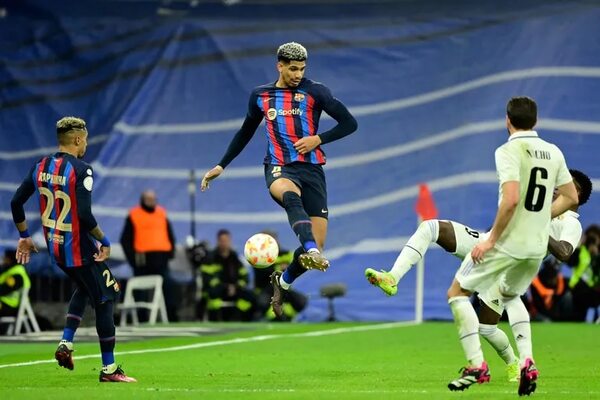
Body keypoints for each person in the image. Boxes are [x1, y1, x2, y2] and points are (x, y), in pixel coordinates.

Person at [365, 169, 590, 381]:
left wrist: (538, 225)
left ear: (575, 192)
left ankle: (514, 363)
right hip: (484, 243)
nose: (555, 186)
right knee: (430, 228)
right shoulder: (539, 205)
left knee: (487, 328)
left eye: (562, 183)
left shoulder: (570, 223)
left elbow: (564, 253)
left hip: (506, 268)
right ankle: (392, 278)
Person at [201, 42, 357, 317]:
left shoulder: (316, 92)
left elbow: (349, 123)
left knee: (319, 244)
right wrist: (221, 165)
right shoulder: (261, 96)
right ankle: (309, 248)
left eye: (302, 69)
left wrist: (318, 139)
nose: (298, 74)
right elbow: (245, 132)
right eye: (293, 69)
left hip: (312, 171)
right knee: (289, 195)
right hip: (279, 167)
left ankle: (282, 281)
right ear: (280, 66)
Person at [445, 97, 578, 395]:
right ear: (536, 120)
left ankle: (477, 365)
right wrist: (542, 216)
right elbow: (571, 197)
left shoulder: (508, 150)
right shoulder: (553, 152)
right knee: (509, 297)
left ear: (507, 120)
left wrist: (491, 240)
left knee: (456, 293)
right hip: (535, 248)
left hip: (508, 243)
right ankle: (526, 361)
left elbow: (512, 198)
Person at [10, 116, 135, 382]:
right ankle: (109, 369)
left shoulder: (40, 166)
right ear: (78, 139)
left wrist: (24, 236)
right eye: (86, 140)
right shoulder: (82, 169)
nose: (86, 144)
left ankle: (66, 343)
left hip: (56, 250)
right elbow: (85, 215)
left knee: (85, 287)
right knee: (106, 295)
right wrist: (105, 240)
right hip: (79, 248)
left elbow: (16, 202)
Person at [120, 190, 178, 321]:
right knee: (141, 291)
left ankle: (172, 317)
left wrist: (171, 252)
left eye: (153, 199)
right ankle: (141, 319)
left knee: (168, 287)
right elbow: (125, 240)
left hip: (161, 259)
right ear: (142, 200)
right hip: (142, 260)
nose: (151, 202)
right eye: (148, 199)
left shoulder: (161, 213)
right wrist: (132, 259)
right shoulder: (134, 215)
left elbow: (169, 234)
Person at [197, 229, 255, 321]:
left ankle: (238, 319)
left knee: (250, 296)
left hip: (235, 289)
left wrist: (236, 287)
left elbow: (245, 277)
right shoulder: (210, 258)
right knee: (212, 296)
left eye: (227, 241)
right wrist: (226, 287)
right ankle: (214, 321)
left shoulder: (235, 258)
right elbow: (208, 279)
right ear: (218, 241)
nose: (224, 243)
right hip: (218, 290)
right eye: (222, 241)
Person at [253, 231, 307, 321]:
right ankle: (271, 317)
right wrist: (279, 268)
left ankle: (287, 315)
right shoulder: (259, 256)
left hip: (283, 288)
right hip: (266, 289)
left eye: (273, 240)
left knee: (301, 301)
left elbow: (295, 265)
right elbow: (264, 272)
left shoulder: (286, 254)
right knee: (262, 303)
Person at [567, 225, 600, 320]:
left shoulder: (597, 256)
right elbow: (570, 262)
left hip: (593, 289)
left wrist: (596, 256)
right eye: (591, 239)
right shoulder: (580, 251)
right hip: (577, 287)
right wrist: (579, 244)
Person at [0, 249, 31, 320]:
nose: (3, 260)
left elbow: (3, 290)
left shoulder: (16, 274)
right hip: (6, 304)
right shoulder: (12, 270)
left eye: (5, 258)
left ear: (10, 259)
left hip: (12, 306)